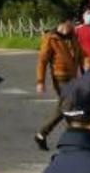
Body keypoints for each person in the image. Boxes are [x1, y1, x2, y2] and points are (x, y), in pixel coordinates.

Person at [34, 16, 84, 151]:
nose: (74, 26)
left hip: (73, 78)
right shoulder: (50, 38)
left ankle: (42, 135)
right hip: (60, 78)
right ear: (65, 22)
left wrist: (85, 72)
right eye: (72, 23)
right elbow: (42, 61)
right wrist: (40, 81)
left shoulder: (73, 36)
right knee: (68, 106)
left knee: (63, 108)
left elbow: (80, 55)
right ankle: (75, 140)